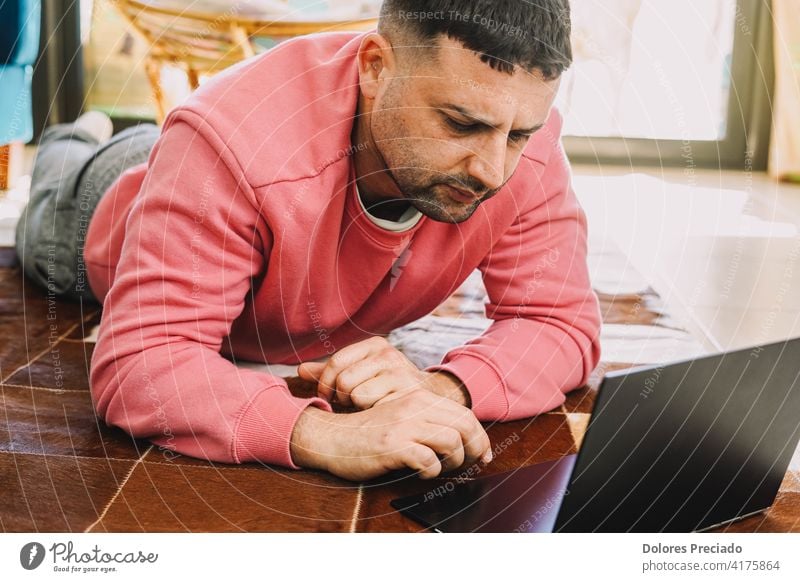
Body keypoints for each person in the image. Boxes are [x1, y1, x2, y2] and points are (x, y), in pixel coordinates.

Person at [15, 0, 601, 482]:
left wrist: (443, 386)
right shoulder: (228, 139)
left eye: (519, 133)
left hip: (197, 177)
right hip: (92, 219)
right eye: (460, 124)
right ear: (376, 67)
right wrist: (324, 433)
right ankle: (75, 138)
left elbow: (562, 323)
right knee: (59, 179)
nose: (494, 172)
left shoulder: (520, 143)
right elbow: (140, 363)